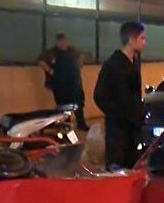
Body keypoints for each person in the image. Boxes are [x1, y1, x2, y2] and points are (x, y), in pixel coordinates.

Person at [93, 22, 145, 169]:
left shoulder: (133, 62)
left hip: (132, 128)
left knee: (132, 165)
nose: (144, 42)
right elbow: (99, 95)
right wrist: (117, 114)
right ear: (131, 40)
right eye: (142, 38)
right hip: (117, 130)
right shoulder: (113, 64)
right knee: (117, 167)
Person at [39, 33, 90, 131]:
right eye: (61, 41)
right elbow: (41, 61)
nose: (63, 43)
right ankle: (66, 125)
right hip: (60, 84)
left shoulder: (72, 50)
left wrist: (80, 64)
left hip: (74, 83)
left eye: (65, 41)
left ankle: (81, 124)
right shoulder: (52, 52)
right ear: (58, 42)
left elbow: (82, 55)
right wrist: (49, 70)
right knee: (63, 106)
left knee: (78, 104)